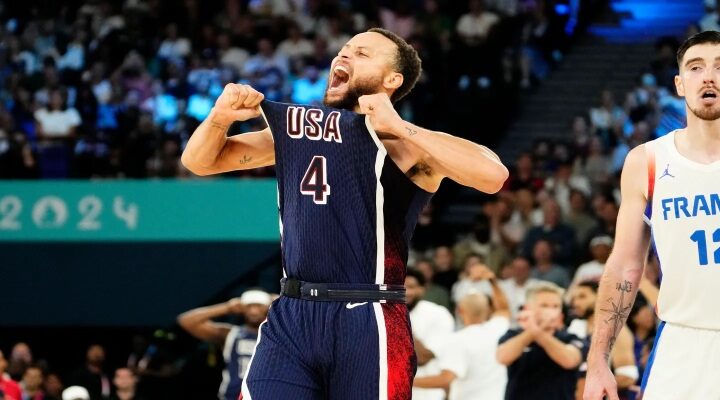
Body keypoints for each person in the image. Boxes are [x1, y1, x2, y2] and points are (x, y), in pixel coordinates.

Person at [181, 27, 508, 400]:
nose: (344, 57)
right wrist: (220, 118)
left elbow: (493, 176)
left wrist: (399, 126)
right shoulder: (300, 131)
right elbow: (200, 162)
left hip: (369, 313)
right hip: (293, 311)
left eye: (362, 54)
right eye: (344, 49)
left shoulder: (406, 145)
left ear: (392, 80)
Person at [584, 31, 720, 400]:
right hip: (684, 341)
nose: (708, 76)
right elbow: (625, 266)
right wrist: (599, 361)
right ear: (679, 84)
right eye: (696, 67)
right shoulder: (648, 161)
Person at [413, 265, 510, 400]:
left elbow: (445, 379)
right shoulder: (498, 328)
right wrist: (492, 281)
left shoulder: (457, 340)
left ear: (459, 310)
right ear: (488, 310)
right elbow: (504, 308)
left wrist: (407, 381)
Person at [496, 282, 586, 400]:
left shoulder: (570, 338)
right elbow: (502, 357)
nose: (551, 311)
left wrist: (537, 331)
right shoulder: (513, 334)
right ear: (528, 308)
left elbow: (570, 360)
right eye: (544, 305)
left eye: (555, 306)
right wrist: (532, 333)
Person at [177, 289, 271, 400]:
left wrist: (280, 302)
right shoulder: (230, 333)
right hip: (233, 395)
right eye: (249, 306)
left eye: (259, 306)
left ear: (268, 307)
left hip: (269, 394)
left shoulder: (278, 335)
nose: (254, 311)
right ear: (242, 308)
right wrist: (228, 307)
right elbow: (186, 321)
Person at [568, 282, 637, 400]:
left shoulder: (616, 330)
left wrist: (591, 386)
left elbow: (628, 376)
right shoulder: (575, 325)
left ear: (600, 297)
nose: (576, 303)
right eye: (574, 298)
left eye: (582, 297)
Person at [404, 268, 454, 400]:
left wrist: (401, 322)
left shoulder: (438, 314)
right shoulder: (384, 315)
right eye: (400, 287)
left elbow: (423, 357)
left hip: (428, 394)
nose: (405, 292)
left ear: (422, 289)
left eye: (411, 286)